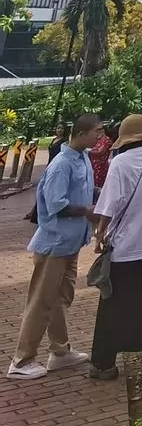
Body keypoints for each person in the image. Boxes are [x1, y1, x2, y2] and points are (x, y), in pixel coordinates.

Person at [7, 112, 102, 380]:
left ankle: (60, 351)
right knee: (41, 301)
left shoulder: (82, 157)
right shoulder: (61, 164)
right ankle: (21, 360)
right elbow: (56, 204)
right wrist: (88, 211)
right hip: (55, 244)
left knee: (61, 298)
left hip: (71, 244)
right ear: (81, 133)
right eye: (97, 131)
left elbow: (86, 190)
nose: (100, 136)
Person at [88, 113, 142, 382]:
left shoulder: (120, 163)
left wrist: (100, 233)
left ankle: (103, 364)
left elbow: (108, 206)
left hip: (126, 247)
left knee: (113, 304)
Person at [88, 121, 115, 191]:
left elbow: (100, 151)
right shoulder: (98, 140)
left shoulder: (106, 140)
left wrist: (88, 151)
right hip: (93, 166)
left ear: (102, 130)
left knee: (99, 185)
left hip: (101, 166)